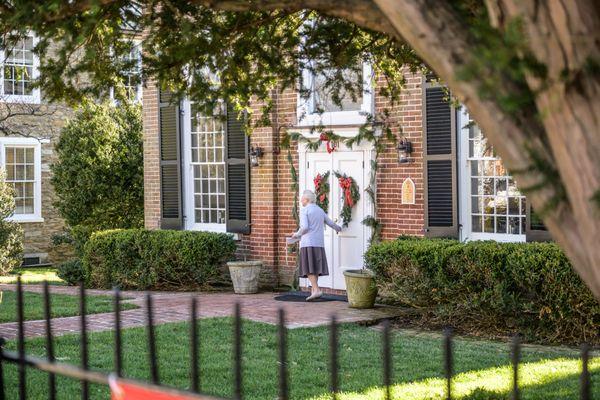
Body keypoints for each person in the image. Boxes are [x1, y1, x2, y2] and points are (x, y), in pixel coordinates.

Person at [290, 189, 342, 301]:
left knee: (309, 267)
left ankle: (316, 289)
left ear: (307, 199)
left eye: (302, 199)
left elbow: (304, 227)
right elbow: (331, 223)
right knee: (315, 267)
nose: (300, 201)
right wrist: (339, 228)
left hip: (308, 243)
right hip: (319, 243)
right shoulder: (320, 210)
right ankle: (314, 290)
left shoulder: (305, 210)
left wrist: (296, 234)